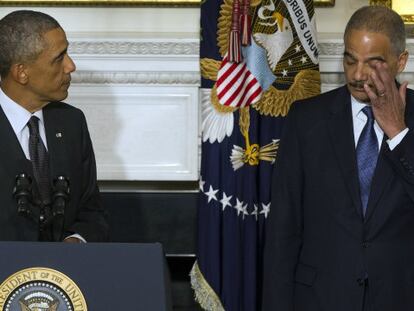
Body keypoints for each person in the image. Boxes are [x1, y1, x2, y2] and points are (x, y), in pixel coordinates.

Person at [262, 5, 414, 311]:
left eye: (373, 63)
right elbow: (283, 233)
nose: (358, 75)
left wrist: (398, 132)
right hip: (320, 299)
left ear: (400, 61)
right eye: (350, 59)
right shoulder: (306, 120)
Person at [0, 10, 108, 242]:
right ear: (22, 72)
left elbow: (91, 212)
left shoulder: (72, 123)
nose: (71, 66)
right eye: (59, 58)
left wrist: (77, 239)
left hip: (64, 275)